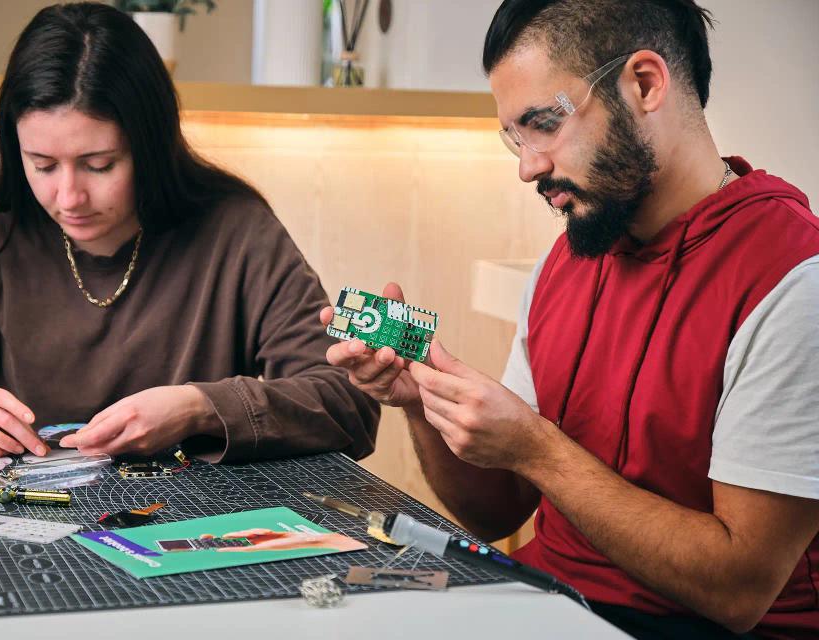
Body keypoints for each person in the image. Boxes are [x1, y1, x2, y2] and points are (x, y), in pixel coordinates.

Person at [322, 1, 818, 638]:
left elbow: (737, 587)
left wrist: (536, 446)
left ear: (644, 83)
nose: (527, 166)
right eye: (515, 138)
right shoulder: (567, 260)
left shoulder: (791, 281)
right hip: (548, 603)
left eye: (545, 124)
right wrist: (420, 401)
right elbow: (496, 512)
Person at [0, 2, 378, 464]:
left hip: (196, 530)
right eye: (42, 165)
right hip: (23, 522)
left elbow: (348, 403)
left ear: (150, 145)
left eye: (99, 165)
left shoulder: (236, 230)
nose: (69, 197)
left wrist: (201, 407)